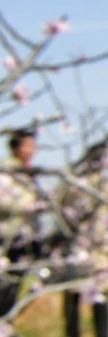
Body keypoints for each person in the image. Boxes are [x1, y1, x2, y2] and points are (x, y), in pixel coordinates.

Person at [59, 143, 108, 337]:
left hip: (97, 245)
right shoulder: (76, 183)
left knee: (99, 291)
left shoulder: (103, 183)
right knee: (77, 292)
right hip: (82, 244)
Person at [0, 129, 41, 317]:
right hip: (7, 234)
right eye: (28, 145)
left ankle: (5, 323)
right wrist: (26, 205)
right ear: (16, 148)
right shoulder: (7, 170)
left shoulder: (29, 173)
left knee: (15, 284)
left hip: (24, 235)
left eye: (34, 146)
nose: (33, 150)